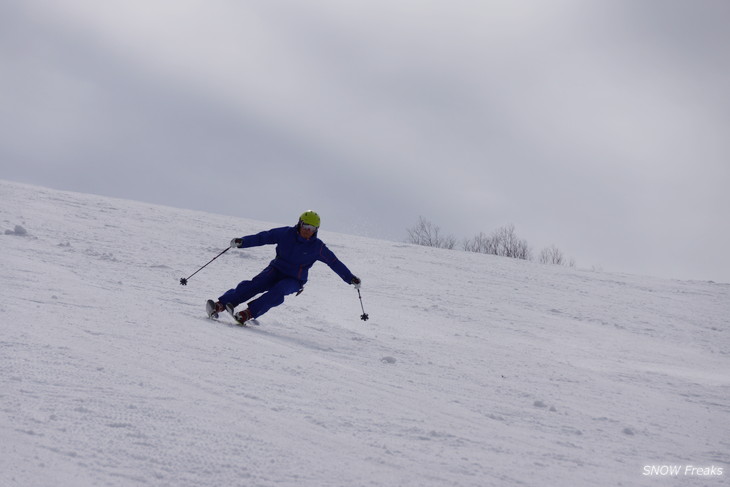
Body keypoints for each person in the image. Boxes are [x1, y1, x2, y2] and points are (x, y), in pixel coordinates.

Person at [207, 210, 361, 325]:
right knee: (255, 284)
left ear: (316, 230)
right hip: (276, 269)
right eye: (306, 226)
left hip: (294, 279)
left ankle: (248, 314)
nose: (308, 230)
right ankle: (221, 305)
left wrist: (350, 278)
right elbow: (264, 237)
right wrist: (243, 242)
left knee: (278, 291)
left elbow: (334, 263)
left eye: (312, 228)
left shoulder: (318, 247)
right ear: (300, 223)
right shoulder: (286, 233)